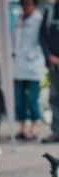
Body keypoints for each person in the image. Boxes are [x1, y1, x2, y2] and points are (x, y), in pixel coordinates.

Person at [13, 0, 45, 141]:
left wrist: (33, 55)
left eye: (28, 4)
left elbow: (43, 41)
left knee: (32, 99)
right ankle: (22, 128)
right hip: (18, 64)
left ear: (34, 5)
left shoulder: (39, 19)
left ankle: (33, 129)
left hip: (34, 64)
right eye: (24, 4)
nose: (26, 7)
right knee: (19, 99)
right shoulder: (18, 18)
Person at [40, 0, 59, 143]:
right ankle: (56, 131)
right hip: (53, 64)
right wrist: (49, 56)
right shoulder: (50, 11)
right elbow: (42, 36)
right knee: (53, 97)